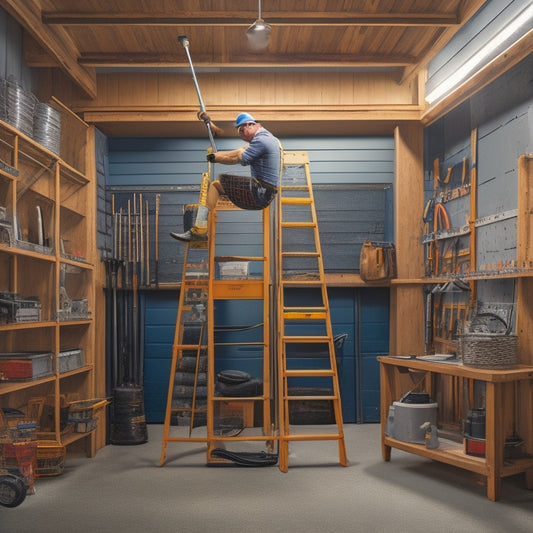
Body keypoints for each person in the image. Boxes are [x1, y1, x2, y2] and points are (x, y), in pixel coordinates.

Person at [170, 112, 282, 242]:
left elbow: (240, 158)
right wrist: (216, 156)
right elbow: (236, 153)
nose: (241, 135)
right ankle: (200, 228)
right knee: (218, 185)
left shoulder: (261, 140)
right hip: (264, 191)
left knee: (216, 186)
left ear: (249, 125)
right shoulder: (266, 138)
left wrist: (219, 158)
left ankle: (200, 230)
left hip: (260, 193)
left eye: (241, 131)